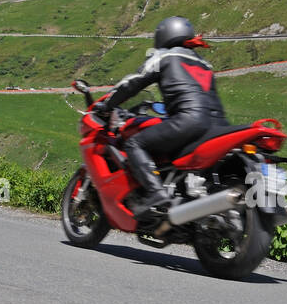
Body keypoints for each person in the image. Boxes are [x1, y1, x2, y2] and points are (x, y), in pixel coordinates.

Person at [91, 16, 233, 218]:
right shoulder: (204, 64)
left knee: (134, 144)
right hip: (218, 126)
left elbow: (134, 82)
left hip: (189, 121)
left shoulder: (165, 56)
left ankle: (156, 194)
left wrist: (107, 103)